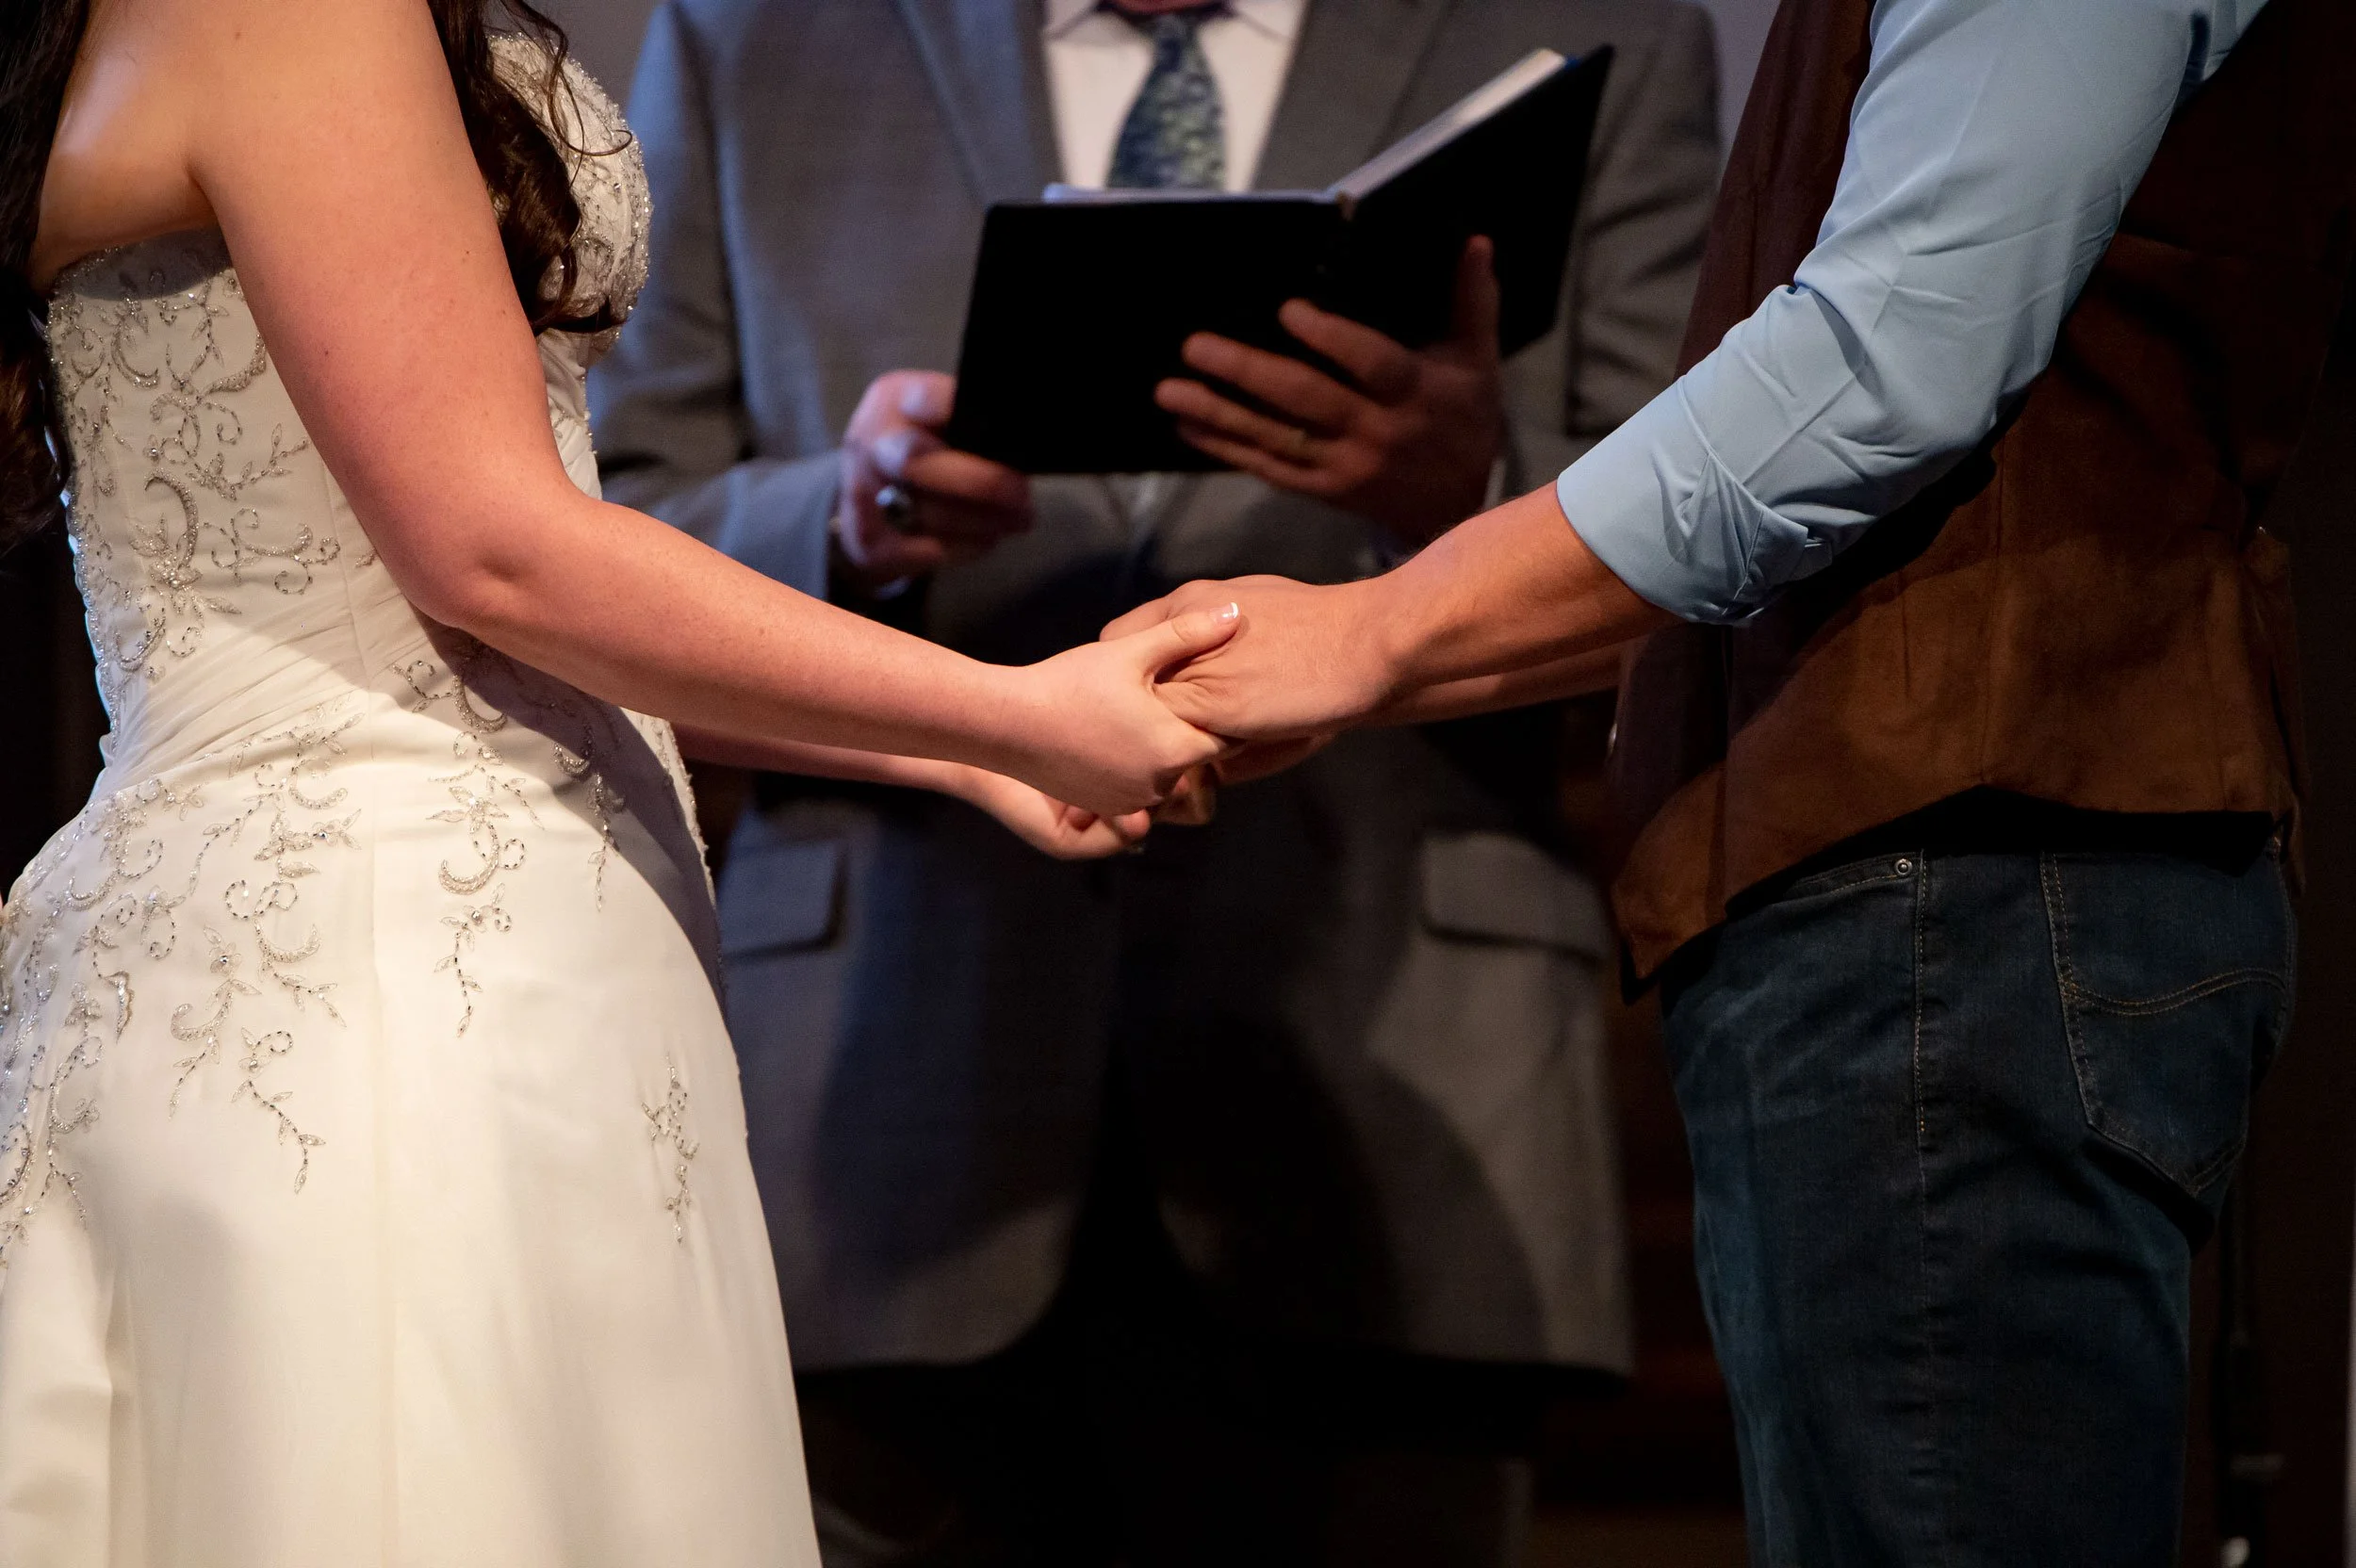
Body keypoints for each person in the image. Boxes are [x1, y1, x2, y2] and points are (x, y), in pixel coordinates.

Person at [0, 0, 1245, 1559]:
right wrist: (1010, 710)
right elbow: (497, 550)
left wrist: (951, 747)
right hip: (395, 988)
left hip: (383, 943)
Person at [1117, 0, 2356, 1559]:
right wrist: (1378, 668)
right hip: (1915, 893)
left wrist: (1376, 631)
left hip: (1964, 884)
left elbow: (1890, 359)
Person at [588, 0, 1718, 1560]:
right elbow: (608, 516)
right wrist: (834, 522)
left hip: (1401, 1089)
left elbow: (1715, 525)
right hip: (887, 1084)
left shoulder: (1593, 32)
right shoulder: (761, 31)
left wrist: (1472, 495)